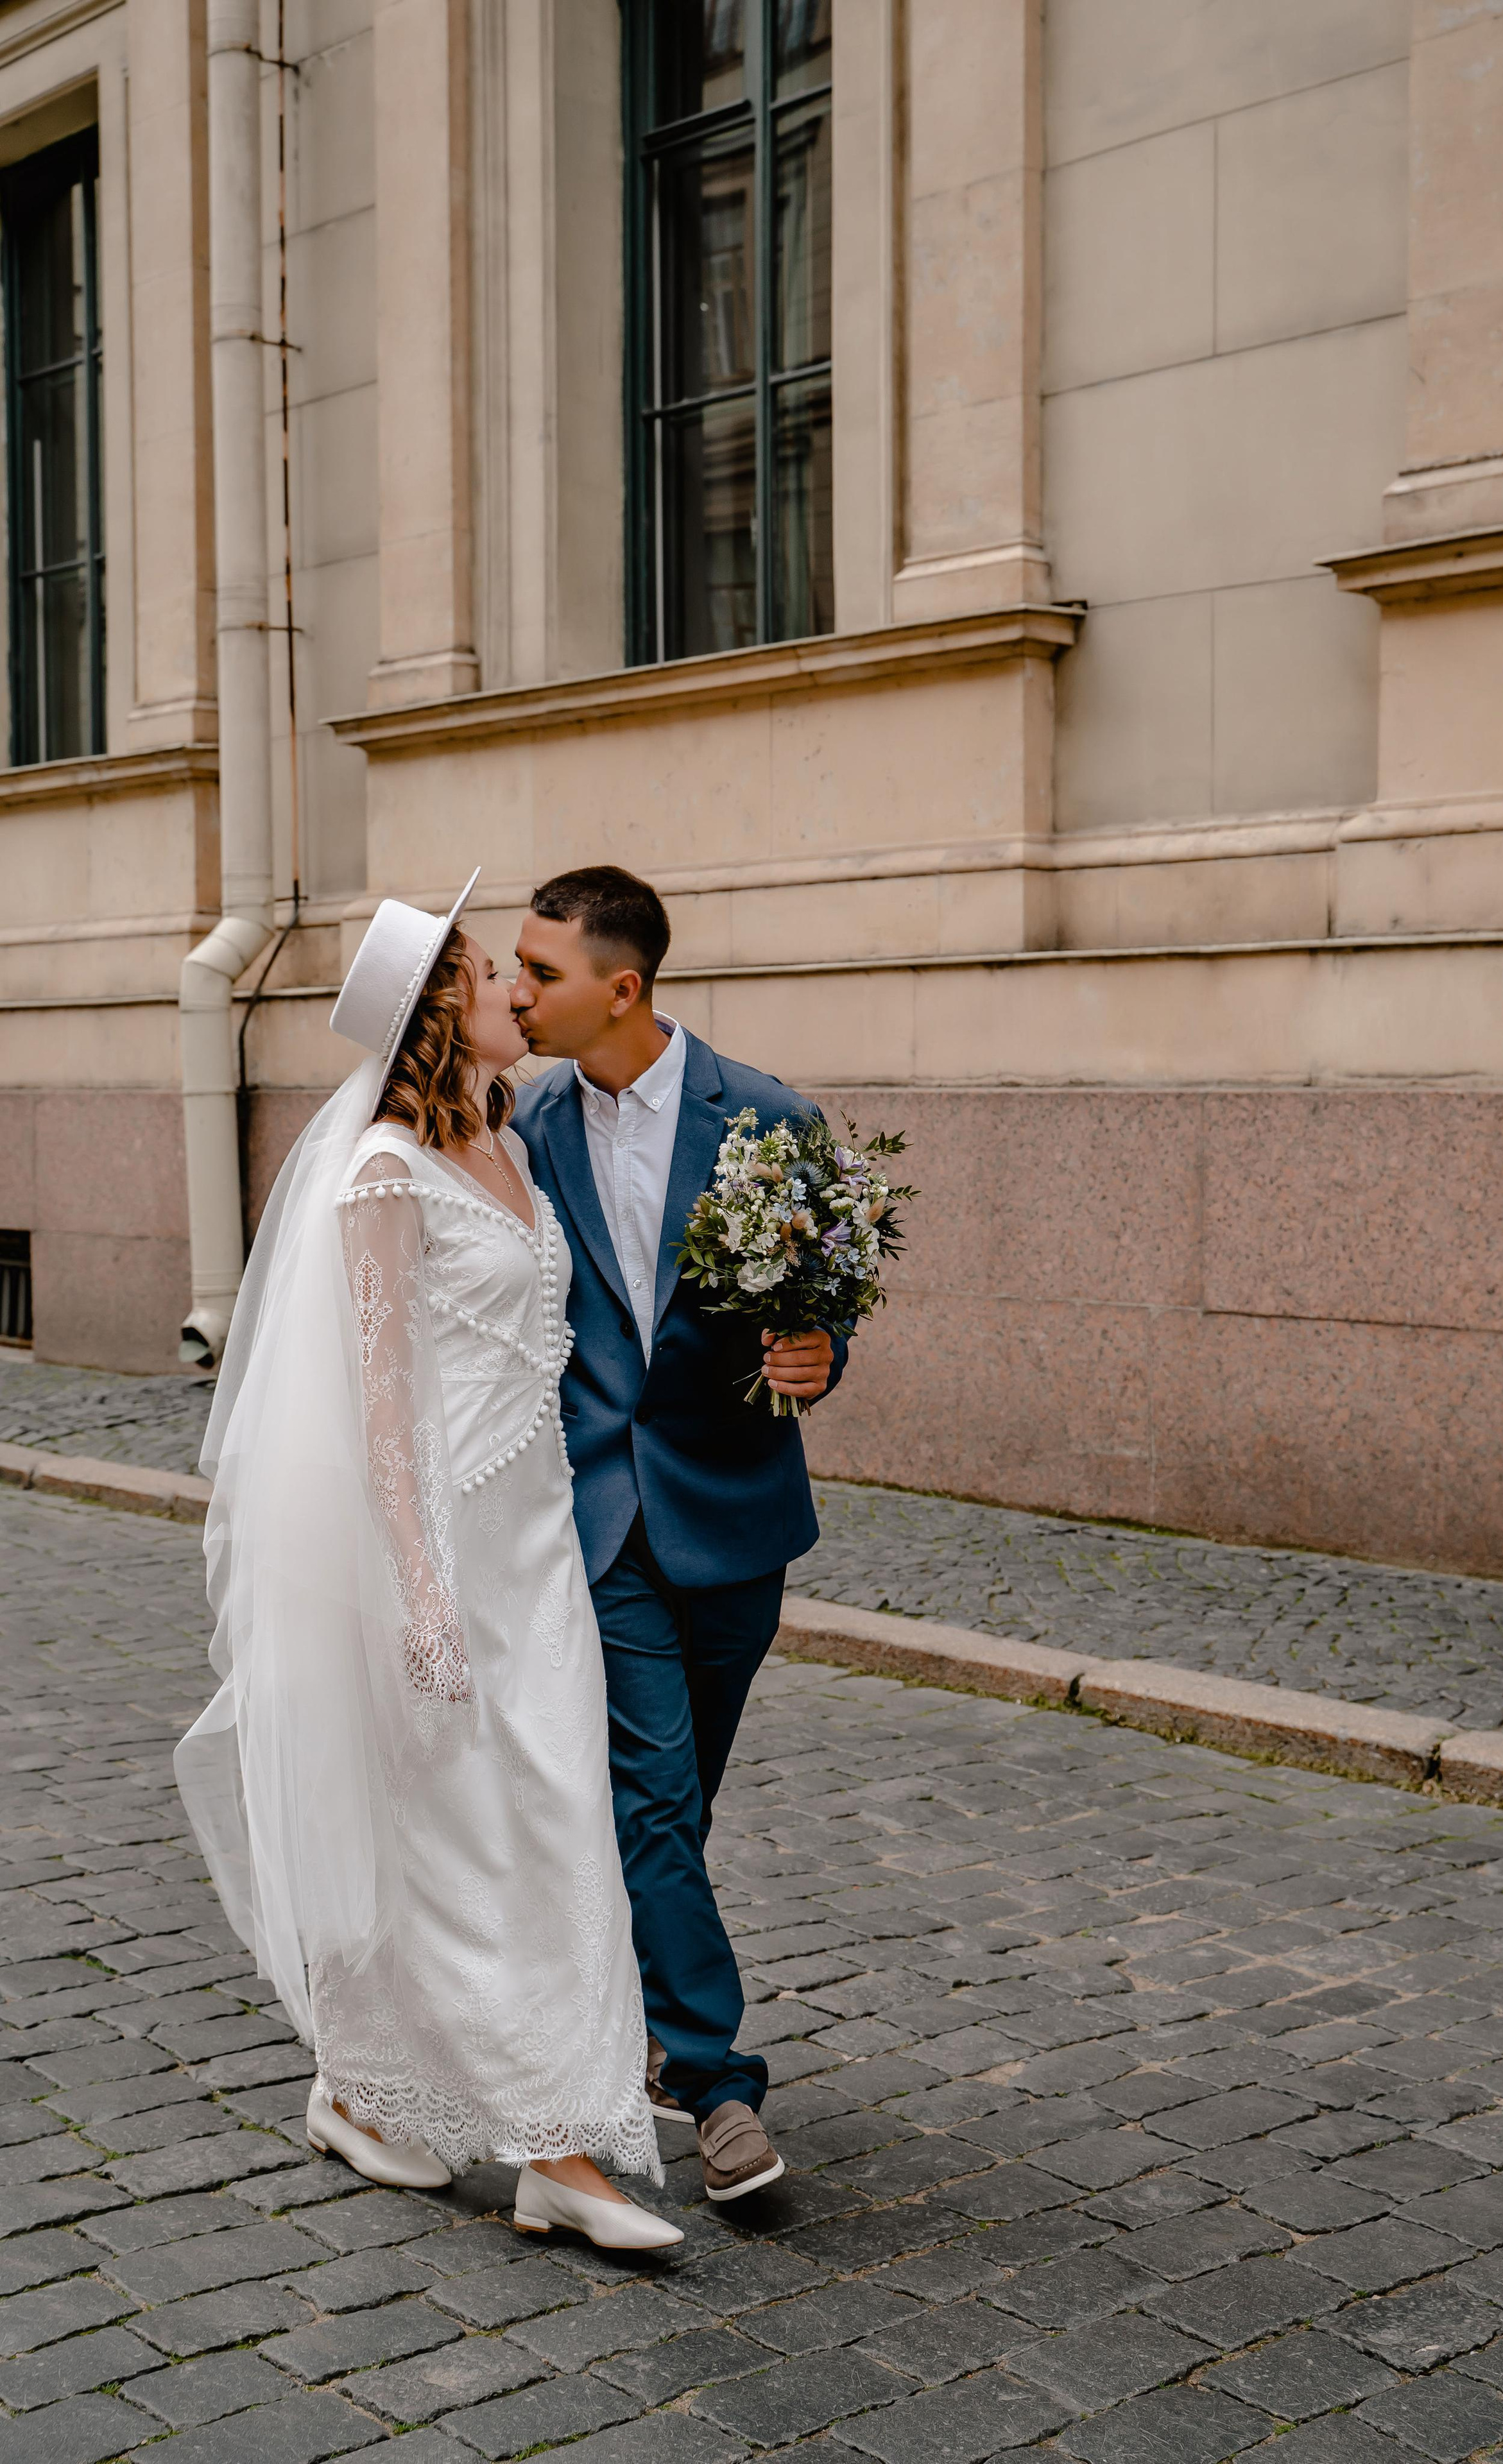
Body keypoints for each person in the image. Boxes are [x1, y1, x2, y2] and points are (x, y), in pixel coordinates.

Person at [175, 872, 681, 2252]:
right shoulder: (383, 1172)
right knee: (469, 1836)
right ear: (442, 1012)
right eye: (488, 974)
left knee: (555, 1819)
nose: (516, 988)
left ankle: (363, 2089)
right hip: (444, 1546)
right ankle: (556, 2156)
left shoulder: (508, 1144)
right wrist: (418, 1593)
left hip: (540, 1545)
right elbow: (383, 1406)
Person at [510, 866, 846, 2204]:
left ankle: (631, 2018)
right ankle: (716, 2082)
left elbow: (823, 1302)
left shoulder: (768, 1119)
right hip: (599, 1519)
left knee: (676, 1802)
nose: (518, 994)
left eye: (540, 972)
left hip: (737, 1511)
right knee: (650, 1793)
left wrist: (820, 1355)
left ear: (622, 988)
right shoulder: (525, 1127)